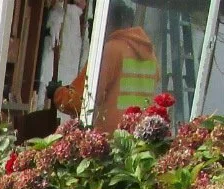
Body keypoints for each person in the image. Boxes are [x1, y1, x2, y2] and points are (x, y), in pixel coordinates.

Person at [54, 2, 160, 130]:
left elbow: (81, 101)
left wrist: (57, 93)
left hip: (109, 141)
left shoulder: (112, 50)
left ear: (108, 21)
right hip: (136, 142)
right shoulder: (150, 55)